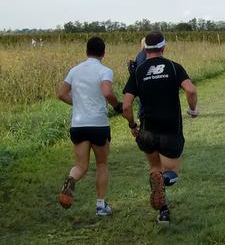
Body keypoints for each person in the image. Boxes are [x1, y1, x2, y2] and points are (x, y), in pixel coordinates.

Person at [122, 31, 198, 225]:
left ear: (145, 48)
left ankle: (163, 211)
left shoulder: (138, 71)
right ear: (163, 47)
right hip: (170, 130)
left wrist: (132, 124)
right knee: (170, 173)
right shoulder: (173, 67)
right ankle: (163, 182)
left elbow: (127, 105)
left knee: (155, 169)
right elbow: (190, 89)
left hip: (147, 130)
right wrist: (192, 108)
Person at [57, 36, 122, 217]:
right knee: (102, 164)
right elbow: (107, 92)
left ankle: (71, 180)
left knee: (81, 166)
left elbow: (61, 94)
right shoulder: (104, 71)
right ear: (103, 53)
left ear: (86, 52)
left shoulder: (74, 71)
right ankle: (101, 206)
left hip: (78, 124)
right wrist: (117, 106)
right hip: (98, 124)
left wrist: (78, 104)